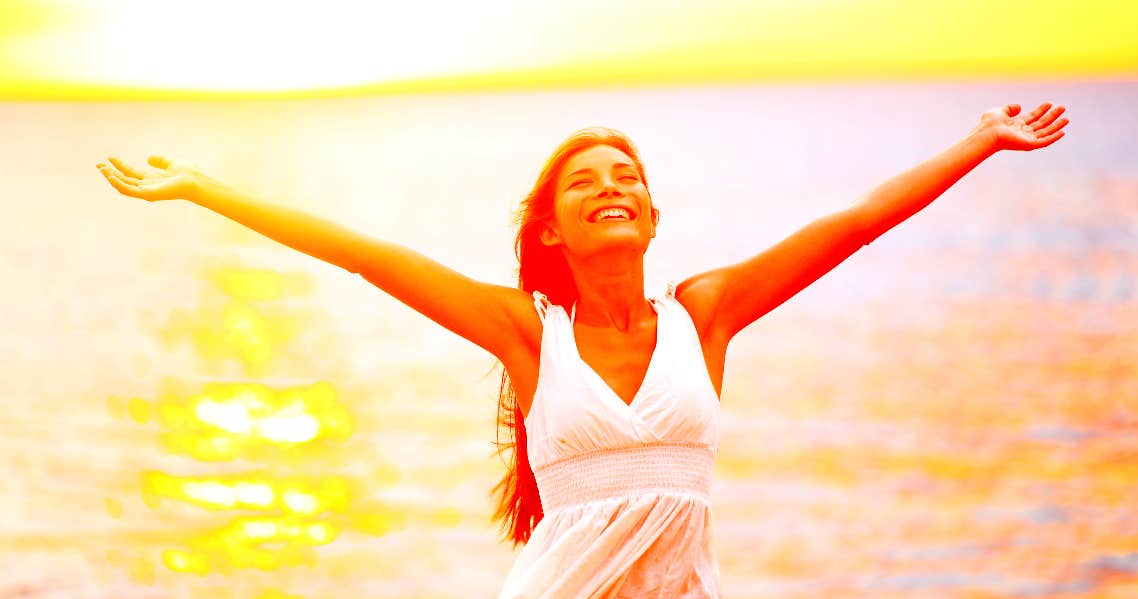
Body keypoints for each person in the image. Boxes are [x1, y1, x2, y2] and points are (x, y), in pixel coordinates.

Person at [96, 102, 1068, 597]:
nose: (612, 185)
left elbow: (854, 223)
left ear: (651, 212)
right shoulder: (529, 331)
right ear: (553, 229)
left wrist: (979, 139)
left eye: (628, 175)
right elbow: (369, 258)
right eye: (585, 181)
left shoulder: (707, 313)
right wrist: (202, 187)